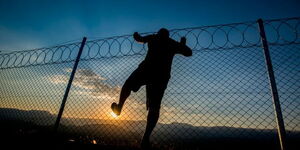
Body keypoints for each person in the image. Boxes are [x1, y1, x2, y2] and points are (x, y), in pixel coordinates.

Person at [111, 28, 192, 148]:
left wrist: (136, 36)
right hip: (161, 76)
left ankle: (119, 107)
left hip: (147, 69)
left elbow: (139, 39)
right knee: (154, 106)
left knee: (129, 85)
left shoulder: (155, 38)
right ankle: (145, 138)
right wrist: (182, 45)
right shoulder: (171, 43)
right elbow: (188, 52)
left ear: (159, 34)